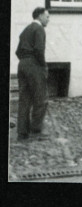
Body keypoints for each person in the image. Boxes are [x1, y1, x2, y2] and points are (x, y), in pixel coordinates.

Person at [15, 7, 50, 142]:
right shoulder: (39, 29)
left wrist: (26, 61)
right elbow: (39, 50)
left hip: (22, 65)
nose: (48, 19)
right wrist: (43, 66)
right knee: (41, 98)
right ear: (40, 16)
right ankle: (36, 131)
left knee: (24, 100)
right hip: (34, 65)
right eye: (47, 16)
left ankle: (22, 133)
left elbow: (18, 51)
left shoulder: (26, 30)